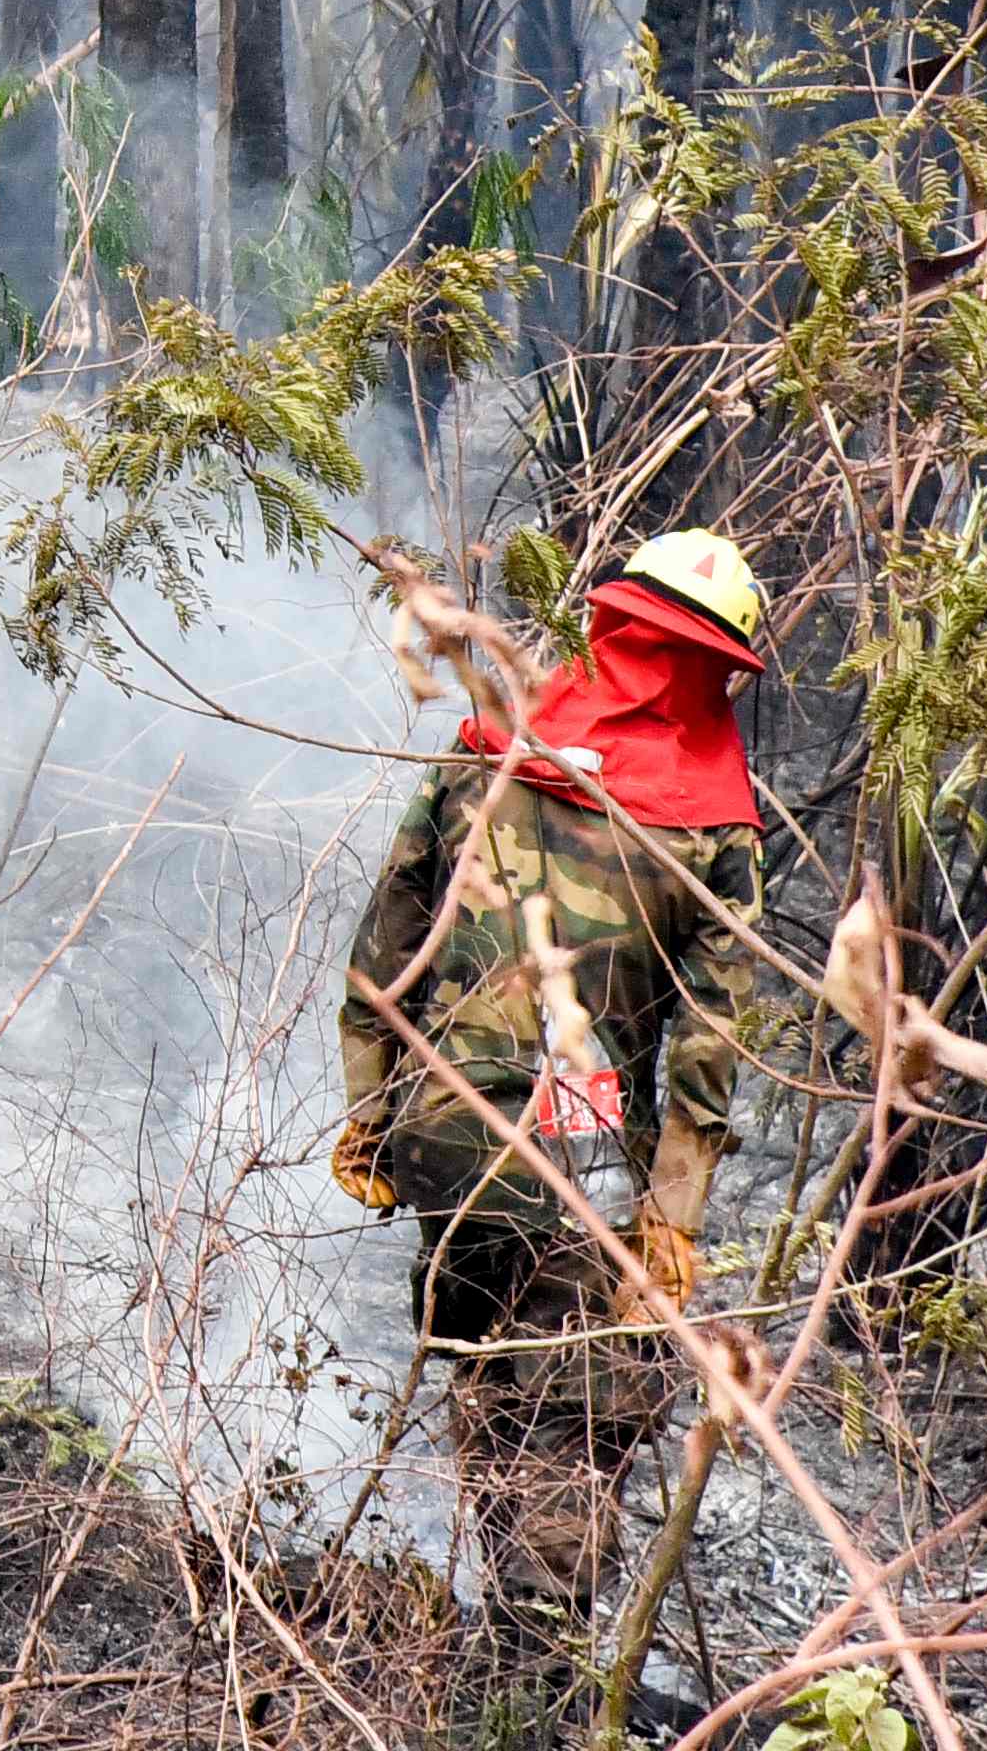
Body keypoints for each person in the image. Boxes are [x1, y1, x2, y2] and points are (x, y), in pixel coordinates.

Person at [336, 528, 782, 1714]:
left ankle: (498, 1657)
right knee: (573, 1428)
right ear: (715, 665)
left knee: (488, 1378)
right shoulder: (714, 831)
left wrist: (368, 1115)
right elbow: (708, 1048)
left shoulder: (488, 748)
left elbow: (384, 951)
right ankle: (527, 1695)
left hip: (443, 1135)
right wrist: (672, 1217)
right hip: (577, 1162)